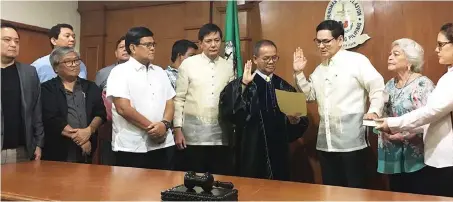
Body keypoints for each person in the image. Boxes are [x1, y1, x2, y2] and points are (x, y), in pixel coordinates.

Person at [377, 22, 453, 199]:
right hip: (443, 159)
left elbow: (433, 111)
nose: (436, 50)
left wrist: (393, 123)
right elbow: (437, 117)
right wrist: (403, 128)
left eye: (441, 45)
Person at [293, 20, 385, 188]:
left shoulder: (357, 61)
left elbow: (377, 86)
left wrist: (374, 111)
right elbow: (310, 95)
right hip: (326, 143)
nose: (321, 46)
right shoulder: (320, 68)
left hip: (352, 142)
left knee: (355, 192)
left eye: (326, 41)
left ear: (340, 40)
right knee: (331, 191)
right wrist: (299, 73)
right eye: (318, 41)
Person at [219, 40, 309, 180]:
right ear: (255, 59)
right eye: (266, 58)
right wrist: (243, 85)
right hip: (251, 152)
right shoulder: (242, 84)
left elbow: (301, 121)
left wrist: (295, 121)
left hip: (279, 154)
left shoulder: (283, 86)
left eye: (274, 57)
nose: (271, 61)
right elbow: (231, 113)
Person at [107, 27, 176, 169]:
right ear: (132, 47)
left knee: (162, 188)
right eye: (147, 45)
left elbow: (170, 102)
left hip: (163, 143)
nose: (152, 49)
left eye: (153, 45)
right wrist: (153, 129)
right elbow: (123, 108)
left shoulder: (160, 72)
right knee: (132, 190)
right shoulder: (120, 72)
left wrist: (164, 125)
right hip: (132, 146)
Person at [173, 23, 234, 175]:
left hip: (221, 134)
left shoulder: (228, 66)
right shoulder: (188, 64)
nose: (213, 44)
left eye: (217, 40)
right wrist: (177, 130)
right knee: (194, 180)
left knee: (218, 179)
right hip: (192, 134)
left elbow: (231, 99)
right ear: (200, 44)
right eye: (208, 41)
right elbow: (179, 99)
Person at [376, 38, 434, 194]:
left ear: (410, 60)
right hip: (393, 152)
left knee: (416, 194)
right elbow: (384, 112)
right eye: (390, 54)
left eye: (396, 54)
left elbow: (430, 119)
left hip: (415, 154)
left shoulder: (423, 84)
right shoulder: (389, 84)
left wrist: (404, 135)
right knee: (396, 193)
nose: (390, 57)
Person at [41, 47, 106, 163]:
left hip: (88, 148)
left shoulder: (90, 87)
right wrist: (81, 140)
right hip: (59, 148)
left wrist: (89, 131)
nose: (74, 64)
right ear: (56, 67)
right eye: (68, 61)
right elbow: (52, 118)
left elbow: (100, 113)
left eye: (76, 60)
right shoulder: (47, 88)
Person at [1, 22, 44, 164]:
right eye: (7, 40)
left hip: (22, 150)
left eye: (17, 41)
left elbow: (36, 110)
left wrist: (38, 144)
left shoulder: (29, 72)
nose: (13, 44)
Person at [94, 36, 129, 165]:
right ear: (115, 53)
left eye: (127, 47)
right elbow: (96, 99)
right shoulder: (104, 73)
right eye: (121, 47)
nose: (124, 50)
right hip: (109, 125)